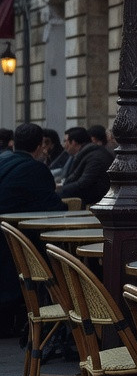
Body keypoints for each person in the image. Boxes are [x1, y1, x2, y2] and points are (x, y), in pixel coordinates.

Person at [0, 124, 66, 336]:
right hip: (12, 244)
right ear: (39, 147)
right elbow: (54, 209)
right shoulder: (35, 169)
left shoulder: (3, 159)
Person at [58, 127, 114, 206]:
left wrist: (60, 191)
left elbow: (83, 184)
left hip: (94, 202)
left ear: (73, 142)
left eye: (65, 141)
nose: (64, 145)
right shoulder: (88, 155)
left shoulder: (95, 157)